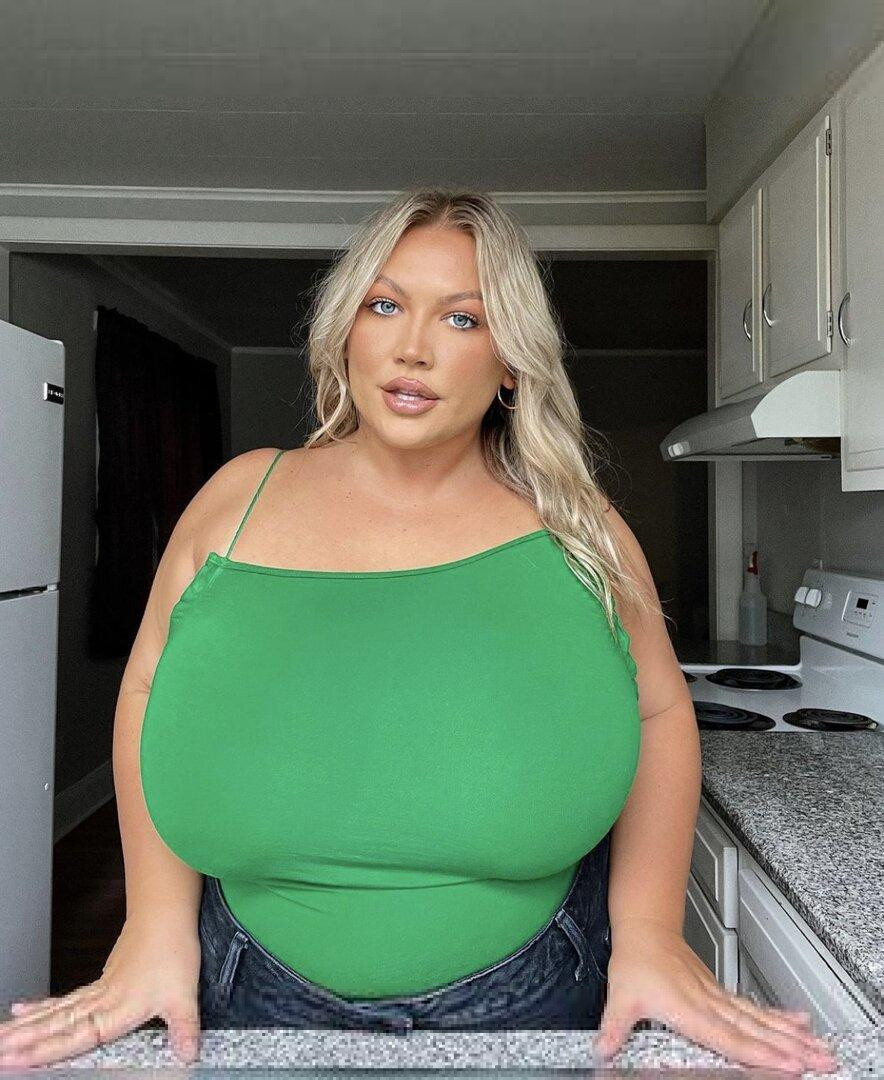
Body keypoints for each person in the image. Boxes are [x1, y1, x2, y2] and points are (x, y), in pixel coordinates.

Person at [0, 189, 837, 1075]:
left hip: (533, 991)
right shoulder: (235, 500)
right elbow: (147, 692)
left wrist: (653, 932)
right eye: (384, 305)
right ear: (345, 331)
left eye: (463, 318)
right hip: (246, 984)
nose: (413, 347)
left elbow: (661, 714)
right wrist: (152, 926)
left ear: (511, 362)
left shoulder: (580, 529)